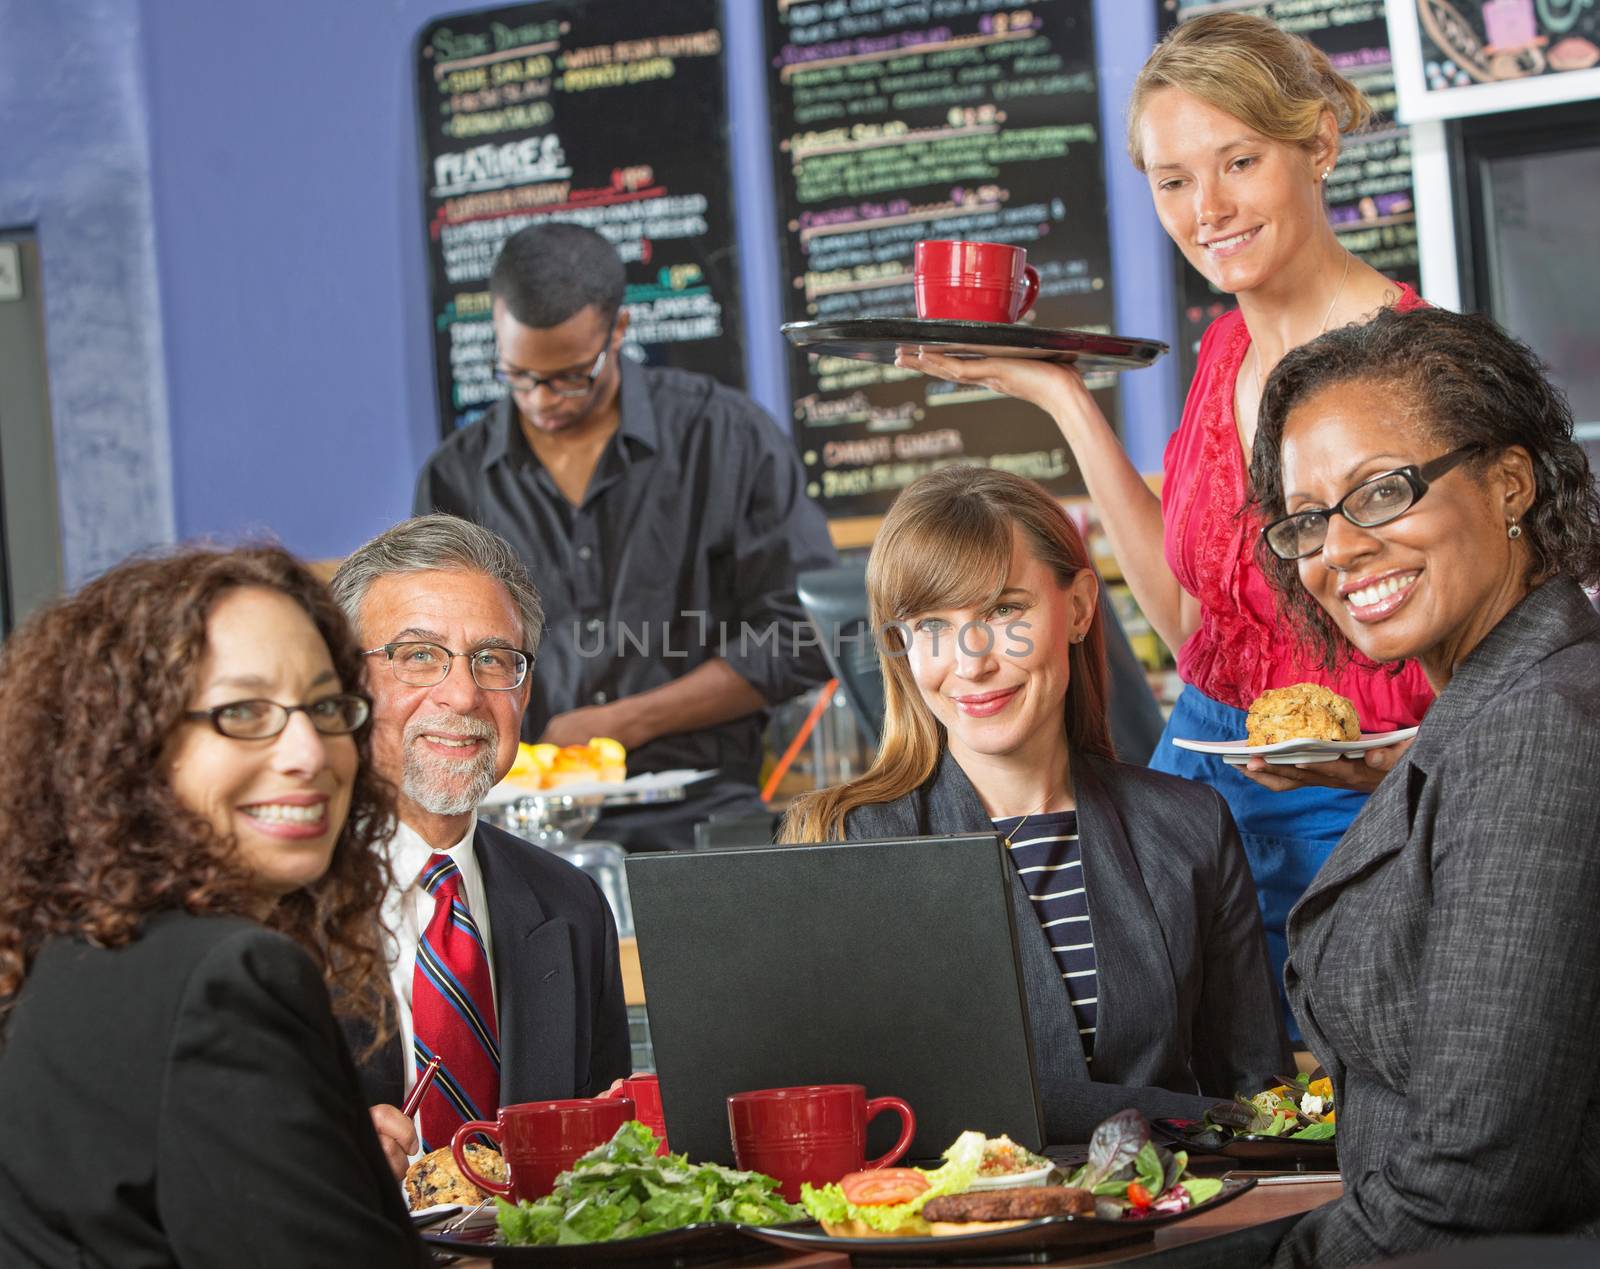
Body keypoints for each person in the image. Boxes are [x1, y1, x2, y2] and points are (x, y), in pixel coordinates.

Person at [895, 13, 1433, 1021]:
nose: (1208, 209)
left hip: (1353, 803)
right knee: (1203, 1108)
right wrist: (1062, 397)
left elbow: (1507, 660)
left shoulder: (1414, 367)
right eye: (1173, 180)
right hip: (1192, 790)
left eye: (1238, 162)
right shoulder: (1225, 349)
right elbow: (1190, 624)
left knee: (1340, 1091)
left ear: (1315, 144)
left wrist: (1401, 759)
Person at [782, 467, 1291, 1142]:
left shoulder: (1190, 826)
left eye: (1002, 611)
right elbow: (833, 1123)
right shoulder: (844, 839)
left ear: (1079, 608)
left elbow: (1260, 1104)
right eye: (931, 624)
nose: (971, 662)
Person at [1246, 307, 1600, 1265]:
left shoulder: (1539, 728)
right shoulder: (1503, 705)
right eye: (1309, 518)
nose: (1339, 549)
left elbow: (1476, 1177)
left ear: (1510, 482)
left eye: (1382, 491)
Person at [0, 546, 427, 1266]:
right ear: (132, 748)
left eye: (325, 706)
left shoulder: (69, 953)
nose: (310, 752)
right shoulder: (227, 975)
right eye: (243, 711)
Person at [415, 223, 838, 850]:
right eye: (519, 376)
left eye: (569, 376)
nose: (541, 401)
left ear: (618, 331)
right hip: (516, 825)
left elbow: (803, 636)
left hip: (702, 818)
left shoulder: (725, 438)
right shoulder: (455, 477)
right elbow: (431, 661)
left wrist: (622, 723)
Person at [330, 514, 630, 1173]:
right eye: (417, 656)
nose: (463, 693)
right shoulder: (273, 905)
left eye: (493, 659)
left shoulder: (571, 905)